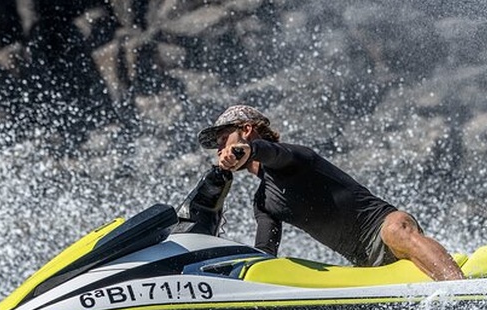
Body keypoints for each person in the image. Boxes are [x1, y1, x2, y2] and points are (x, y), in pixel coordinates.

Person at [197, 105, 464, 281]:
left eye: (223, 142)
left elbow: (273, 153)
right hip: (366, 265)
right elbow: (264, 255)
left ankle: (463, 293)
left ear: (246, 130)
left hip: (384, 229)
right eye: (218, 149)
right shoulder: (264, 202)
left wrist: (249, 150)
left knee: (397, 229)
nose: (221, 151)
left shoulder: (294, 157)